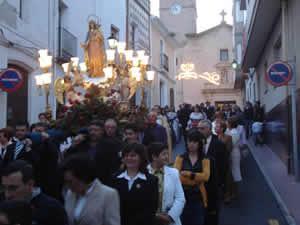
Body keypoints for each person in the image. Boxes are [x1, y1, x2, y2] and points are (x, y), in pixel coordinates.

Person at [1, 160, 68, 225]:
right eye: (4, 188)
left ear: (30, 184)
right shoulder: (2, 204)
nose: (7, 195)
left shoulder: (53, 210)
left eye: (13, 188)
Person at [62, 153, 120, 225]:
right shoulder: (70, 193)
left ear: (82, 177)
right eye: (66, 182)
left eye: (70, 181)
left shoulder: (108, 194)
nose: (68, 186)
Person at [111, 143, 158, 225]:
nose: (129, 158)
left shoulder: (151, 181)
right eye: (126, 156)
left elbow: (151, 210)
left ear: (141, 158)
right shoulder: (115, 178)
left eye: (133, 155)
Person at [174, 131, 210, 225]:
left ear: (199, 143)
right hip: (182, 196)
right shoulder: (180, 158)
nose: (191, 144)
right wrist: (197, 179)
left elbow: (206, 177)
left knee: (198, 221)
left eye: (194, 142)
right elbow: (176, 176)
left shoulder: (205, 159)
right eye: (189, 141)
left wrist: (189, 174)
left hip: (198, 197)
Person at [197, 120, 227, 225]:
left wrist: (220, 184)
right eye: (198, 128)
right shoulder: (195, 144)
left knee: (212, 214)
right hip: (198, 185)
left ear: (210, 129)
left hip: (213, 185)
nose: (199, 131)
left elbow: (223, 166)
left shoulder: (219, 144)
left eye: (202, 128)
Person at [148, 143, 185, 225]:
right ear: (154, 157)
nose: (167, 157)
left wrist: (170, 216)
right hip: (149, 219)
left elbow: (180, 198)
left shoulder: (174, 173)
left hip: (169, 220)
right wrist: (155, 216)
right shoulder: (144, 173)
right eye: (164, 154)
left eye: (167, 153)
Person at [226, 117, 242, 199]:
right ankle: (234, 191)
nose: (226, 124)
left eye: (227, 123)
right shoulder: (232, 131)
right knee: (233, 172)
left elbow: (230, 145)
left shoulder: (233, 133)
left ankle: (234, 192)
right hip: (234, 152)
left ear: (230, 124)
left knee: (234, 172)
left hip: (233, 153)